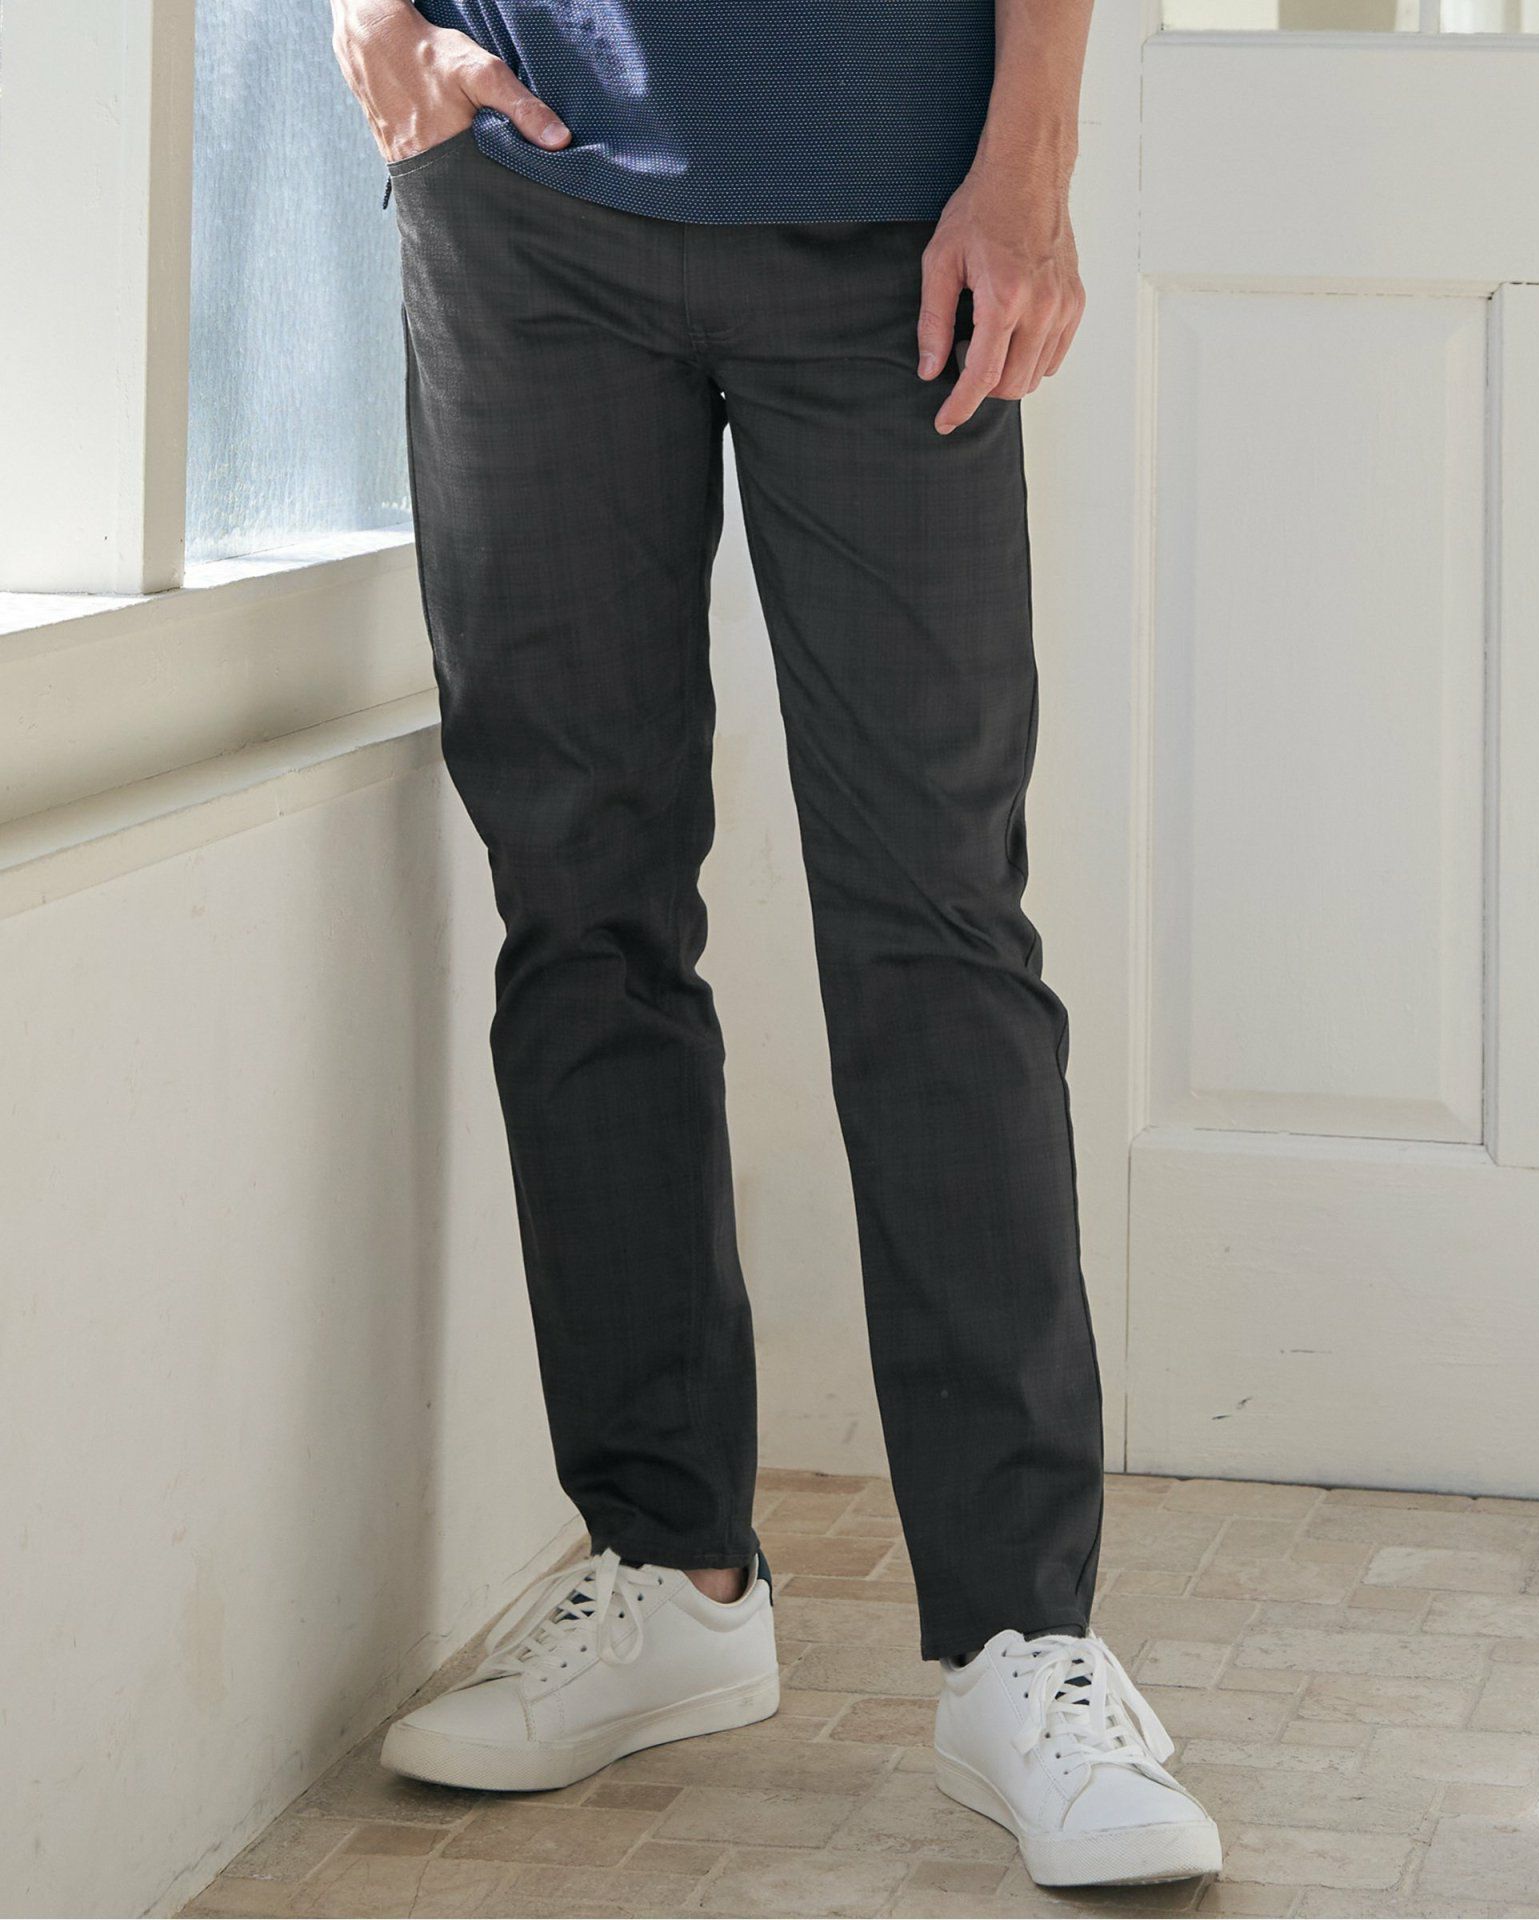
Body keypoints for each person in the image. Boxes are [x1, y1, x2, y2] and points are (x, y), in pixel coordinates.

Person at [331, 0, 1220, 1887]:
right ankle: (669, 1572)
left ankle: (1022, 1638)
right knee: (580, 898)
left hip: (899, 210)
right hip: (525, 196)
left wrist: (1028, 159)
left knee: (937, 920)